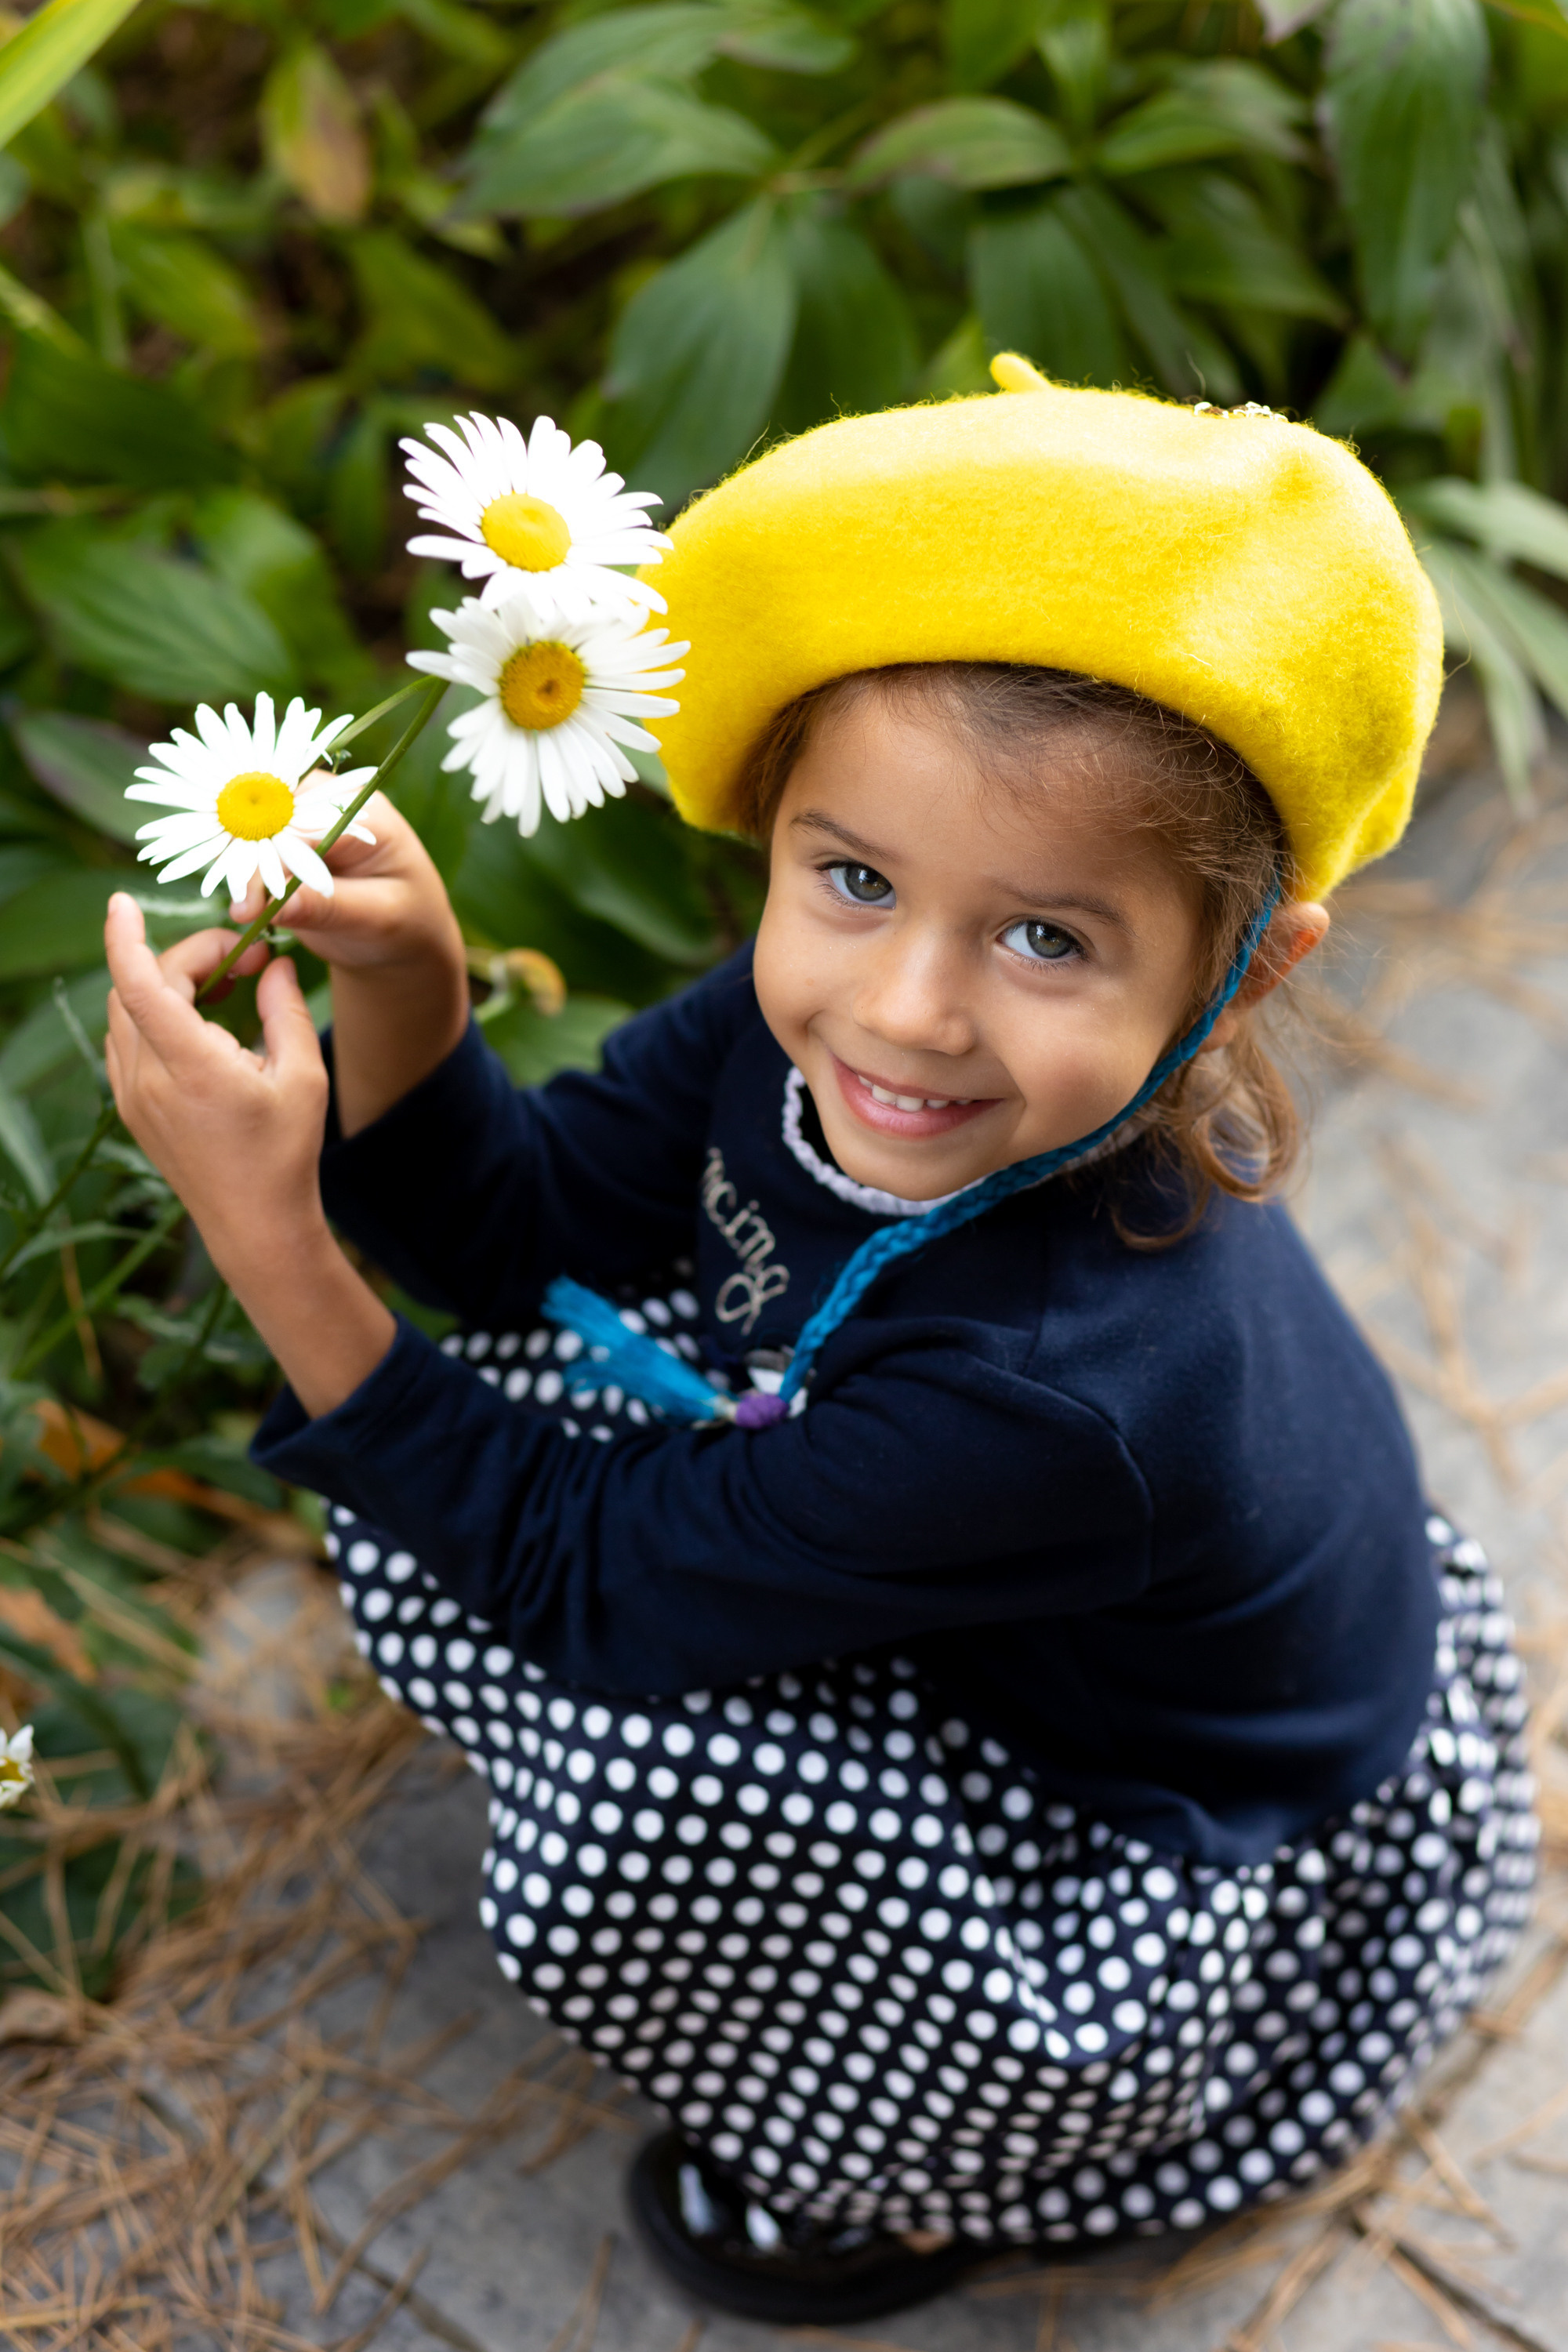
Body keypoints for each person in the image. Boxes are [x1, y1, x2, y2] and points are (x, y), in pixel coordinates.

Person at [100, 364, 1538, 2328]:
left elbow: (592, 1590)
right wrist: (412, 985)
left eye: (1047, 939)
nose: (909, 1009)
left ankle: (924, 2169)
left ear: (1245, 962)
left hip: (1158, 1796)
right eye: (851, 878)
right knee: (496, 1430)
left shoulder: (1061, 1380)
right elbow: (520, 1240)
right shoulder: (836, 1040)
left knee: (637, 1798)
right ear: (787, 834)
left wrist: (269, 1238)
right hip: (989, 1566)